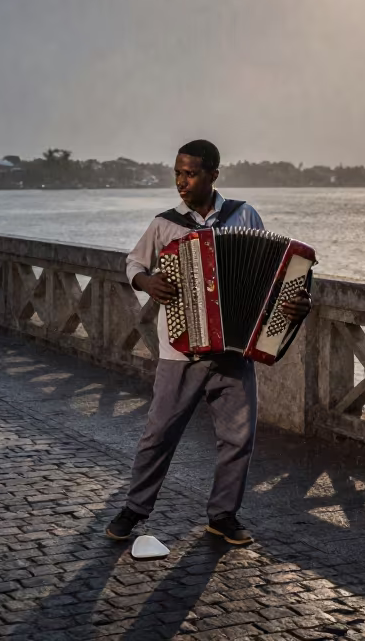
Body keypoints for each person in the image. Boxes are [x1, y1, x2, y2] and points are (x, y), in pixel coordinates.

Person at [105, 140, 312, 546]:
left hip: (235, 353)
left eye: (191, 174)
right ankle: (134, 508)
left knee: (239, 438)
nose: (181, 182)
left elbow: (271, 275)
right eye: (177, 174)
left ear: (214, 174)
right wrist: (146, 281)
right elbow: (133, 262)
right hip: (179, 351)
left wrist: (295, 301)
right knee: (158, 434)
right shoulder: (165, 224)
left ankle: (223, 516)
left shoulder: (244, 214)